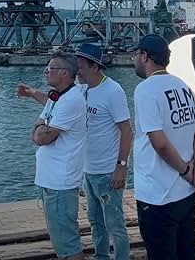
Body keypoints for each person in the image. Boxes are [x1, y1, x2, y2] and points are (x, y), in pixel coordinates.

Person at [130, 34, 195, 260]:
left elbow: (158, 142)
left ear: (145, 56)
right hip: (185, 193)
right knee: (186, 251)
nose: (133, 60)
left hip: (157, 193)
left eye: (135, 55)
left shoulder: (146, 89)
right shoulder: (184, 87)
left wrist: (186, 171)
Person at [16, 51, 87, 260]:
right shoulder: (58, 96)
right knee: (61, 240)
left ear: (64, 73)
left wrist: (40, 124)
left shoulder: (70, 100)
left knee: (67, 244)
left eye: (50, 68)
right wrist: (33, 96)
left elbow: (41, 138)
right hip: (53, 181)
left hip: (60, 183)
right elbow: (43, 126)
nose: (46, 71)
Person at [75, 44, 132, 260]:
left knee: (115, 222)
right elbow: (58, 104)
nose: (77, 71)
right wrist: (33, 94)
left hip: (108, 171)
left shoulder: (113, 91)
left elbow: (126, 130)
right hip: (88, 170)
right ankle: (101, 256)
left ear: (95, 67)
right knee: (94, 220)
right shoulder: (81, 89)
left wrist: (121, 167)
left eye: (81, 67)